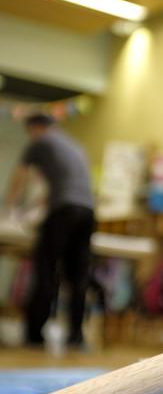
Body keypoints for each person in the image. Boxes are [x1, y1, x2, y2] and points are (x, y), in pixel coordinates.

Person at [3, 113, 95, 348]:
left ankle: (35, 335)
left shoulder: (41, 142)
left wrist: (9, 211)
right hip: (87, 211)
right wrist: (32, 208)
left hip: (64, 210)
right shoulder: (74, 145)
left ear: (35, 128)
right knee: (78, 276)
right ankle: (76, 335)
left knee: (46, 269)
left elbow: (19, 177)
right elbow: (63, 188)